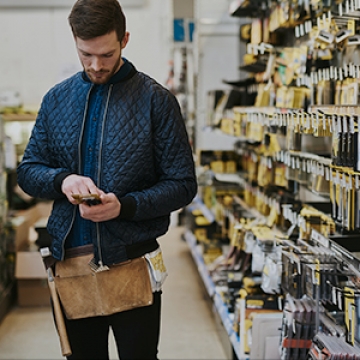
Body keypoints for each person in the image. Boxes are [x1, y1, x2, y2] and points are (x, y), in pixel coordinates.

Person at [16, 0, 197, 359]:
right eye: (86, 54)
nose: (96, 65)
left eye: (106, 54)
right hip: (71, 263)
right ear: (75, 41)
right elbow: (28, 170)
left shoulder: (156, 101)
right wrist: (62, 180)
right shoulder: (56, 100)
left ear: (125, 39)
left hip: (132, 261)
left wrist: (125, 207)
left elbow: (182, 184)